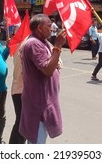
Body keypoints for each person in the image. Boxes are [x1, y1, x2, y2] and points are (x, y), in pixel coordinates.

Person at [19, 14, 66, 144]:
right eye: (49, 26)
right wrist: (58, 46)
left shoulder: (42, 42)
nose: (52, 29)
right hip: (39, 104)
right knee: (37, 143)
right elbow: (48, 70)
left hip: (44, 101)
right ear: (40, 28)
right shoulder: (34, 44)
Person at [8, 39, 26, 144]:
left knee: (22, 121)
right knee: (21, 121)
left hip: (19, 88)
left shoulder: (22, 42)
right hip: (21, 89)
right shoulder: (27, 44)